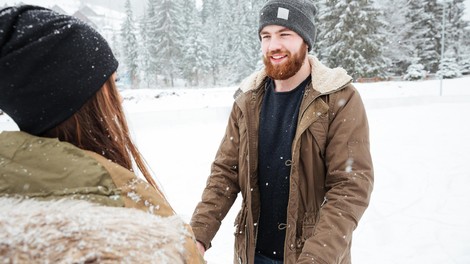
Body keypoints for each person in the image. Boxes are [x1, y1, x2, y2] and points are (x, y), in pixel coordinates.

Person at [0, 5, 203, 263]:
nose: (118, 97)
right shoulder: (135, 229)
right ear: (86, 102)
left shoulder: (13, 200)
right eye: (112, 84)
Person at [190, 0, 374, 263]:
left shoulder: (338, 99)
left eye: (284, 34)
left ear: (306, 40)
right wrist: (197, 235)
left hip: (312, 254)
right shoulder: (247, 100)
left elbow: (350, 188)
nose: (273, 45)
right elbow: (224, 174)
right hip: (252, 254)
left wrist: (316, 257)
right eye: (266, 36)